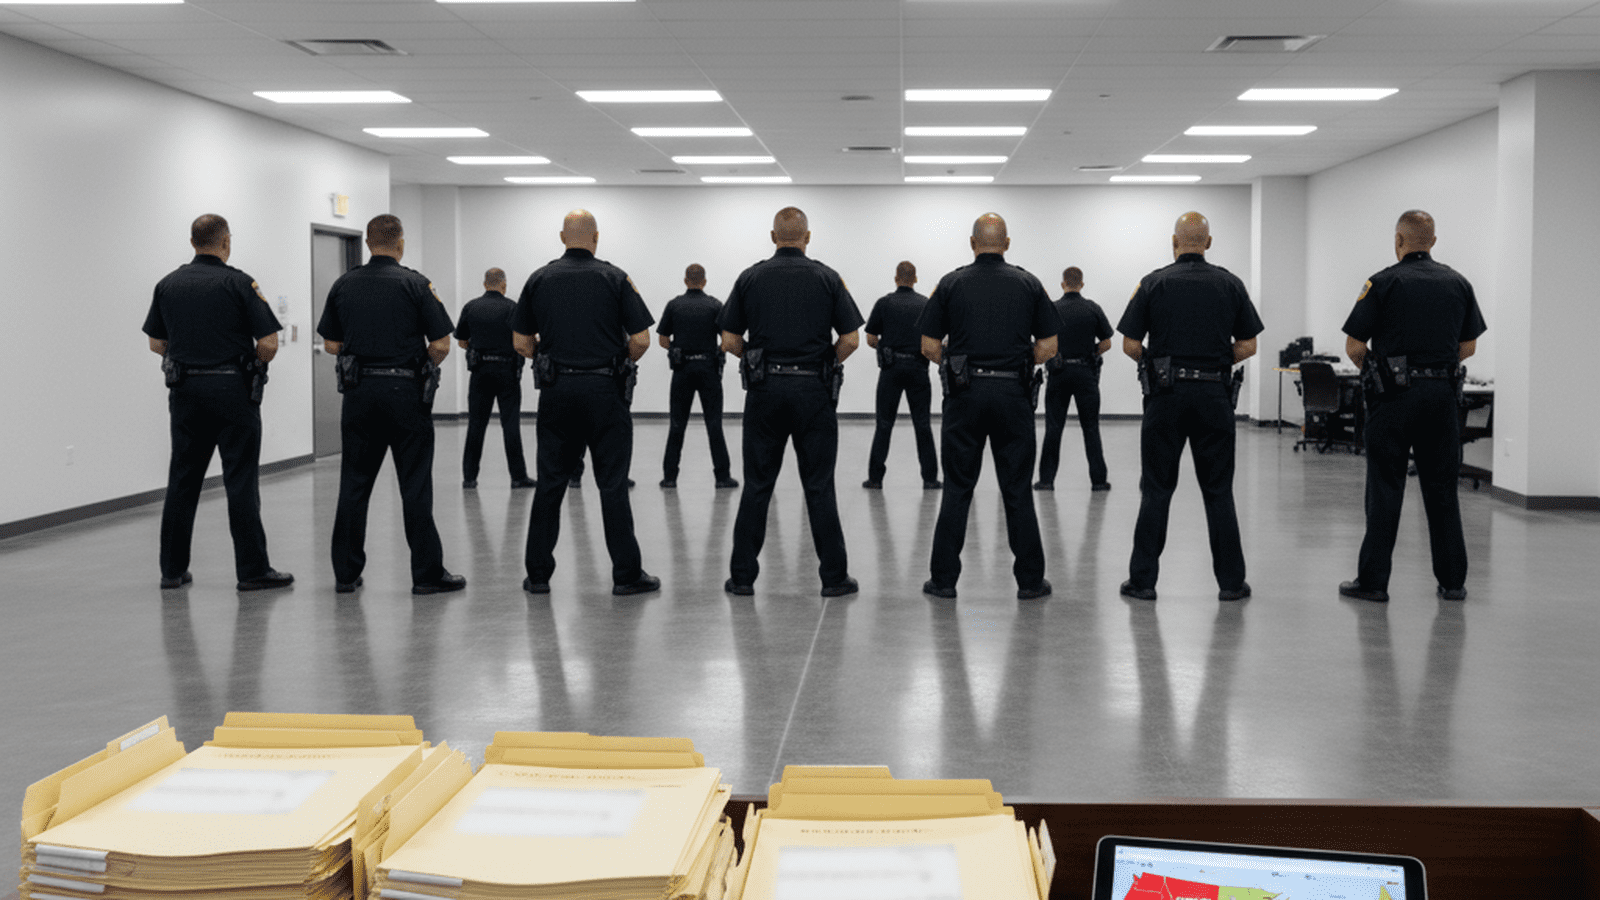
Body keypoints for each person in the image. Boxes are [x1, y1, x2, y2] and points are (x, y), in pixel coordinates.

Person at [1339, 210, 1487, 603]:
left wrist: (1382, 371)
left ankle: (1373, 582)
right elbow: (1468, 346)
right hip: (1441, 400)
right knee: (1442, 490)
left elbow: (1355, 347)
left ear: (1399, 241)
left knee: (1385, 488)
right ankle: (1453, 582)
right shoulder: (1459, 283)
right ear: (1433, 241)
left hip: (1393, 399)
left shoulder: (1383, 283)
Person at [142, 214, 294, 592]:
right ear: (226, 242)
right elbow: (269, 342)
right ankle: (252, 570)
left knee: (182, 479)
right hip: (232, 394)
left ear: (193, 242)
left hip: (186, 393)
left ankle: (172, 571)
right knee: (240, 480)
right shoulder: (240, 283)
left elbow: (156, 343)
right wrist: (250, 364)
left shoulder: (168, 284)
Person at [1117, 211, 1262, 602]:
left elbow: (1130, 345)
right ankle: (1231, 583)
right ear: (1208, 243)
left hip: (1165, 398)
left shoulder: (1153, 283)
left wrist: (1159, 365)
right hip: (1214, 397)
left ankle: (1143, 582)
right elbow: (1249, 345)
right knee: (1218, 491)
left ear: (1174, 241)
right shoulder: (1230, 284)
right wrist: (1214, 362)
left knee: (1157, 490)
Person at [512, 209, 659, 596]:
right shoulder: (615, 277)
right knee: (611, 485)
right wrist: (617, 361)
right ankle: (626, 576)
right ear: (596, 238)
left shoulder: (539, 279)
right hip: (605, 393)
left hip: (557, 393)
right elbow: (642, 339)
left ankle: (539, 575)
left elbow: (521, 342)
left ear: (563, 236)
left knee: (550, 484)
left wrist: (553, 356)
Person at [317, 214, 466, 595]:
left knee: (354, 483)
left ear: (367, 243)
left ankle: (346, 574)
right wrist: (416, 365)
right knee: (414, 485)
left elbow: (331, 344)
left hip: (359, 394)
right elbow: (441, 344)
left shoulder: (343, 284)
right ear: (401, 243)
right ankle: (426, 575)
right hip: (405, 395)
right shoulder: (416, 284)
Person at [719, 207, 863, 597]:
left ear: (772, 236)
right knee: (819, 486)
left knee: (757, 485)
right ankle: (834, 578)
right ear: (807, 237)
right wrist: (824, 363)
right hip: (813, 392)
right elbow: (851, 338)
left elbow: (730, 340)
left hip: (765, 392)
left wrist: (755, 357)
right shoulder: (827, 277)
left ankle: (743, 577)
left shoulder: (750, 277)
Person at [919, 213, 1059, 601]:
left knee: (958, 488)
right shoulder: (1029, 283)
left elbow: (929, 346)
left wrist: (958, 362)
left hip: (964, 397)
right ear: (1007, 243)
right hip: (1013, 396)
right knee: (1017, 490)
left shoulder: (950, 283)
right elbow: (1049, 347)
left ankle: (943, 580)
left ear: (972, 243)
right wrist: (1017, 361)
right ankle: (1030, 582)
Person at [656, 263, 738, 489]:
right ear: (704, 281)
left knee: (677, 424)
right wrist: (716, 351)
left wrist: (676, 349)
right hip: (709, 370)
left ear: (685, 280)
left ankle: (670, 477)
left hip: (682, 370)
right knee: (714, 424)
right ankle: (722, 477)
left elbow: (663, 340)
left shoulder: (674, 305)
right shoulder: (714, 306)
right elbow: (728, 340)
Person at [862, 261, 940, 490]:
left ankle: (875, 479)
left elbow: (870, 338)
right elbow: (932, 342)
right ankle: (930, 478)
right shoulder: (925, 304)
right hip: (918, 370)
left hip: (890, 370)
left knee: (884, 425)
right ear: (915, 279)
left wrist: (885, 347)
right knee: (923, 425)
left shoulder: (884, 303)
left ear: (895, 278)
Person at [455, 267, 535, 490]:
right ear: (504, 285)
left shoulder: (471, 307)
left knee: (476, 425)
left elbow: (461, 341)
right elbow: (522, 340)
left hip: (480, 372)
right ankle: (518, 477)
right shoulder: (512, 308)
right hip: (507, 372)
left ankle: (469, 478)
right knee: (510, 425)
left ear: (484, 284)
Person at [1035, 266, 1114, 492]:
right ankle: (1099, 481)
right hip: (1085, 374)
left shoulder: (1052, 309)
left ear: (1063, 284)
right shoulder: (1092, 308)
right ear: (1082, 284)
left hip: (1058, 375)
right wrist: (1091, 352)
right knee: (1091, 428)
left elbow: (1043, 344)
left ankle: (1046, 480)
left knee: (1053, 428)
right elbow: (1107, 343)